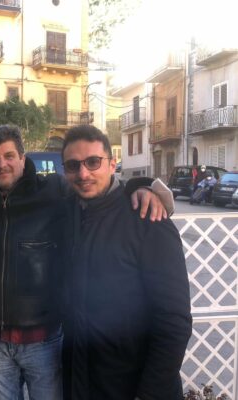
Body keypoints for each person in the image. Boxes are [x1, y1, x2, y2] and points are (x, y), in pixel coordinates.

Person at [0, 125, 169, 400]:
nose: (1, 164)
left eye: (9, 156)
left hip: (44, 340)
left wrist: (143, 187)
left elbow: (97, 186)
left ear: (22, 157)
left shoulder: (54, 190)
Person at [61, 125, 192, 400]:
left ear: (112, 165)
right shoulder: (69, 213)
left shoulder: (147, 218)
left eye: (93, 162)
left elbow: (174, 321)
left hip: (135, 387)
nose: (83, 173)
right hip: (84, 381)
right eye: (73, 165)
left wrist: (150, 394)